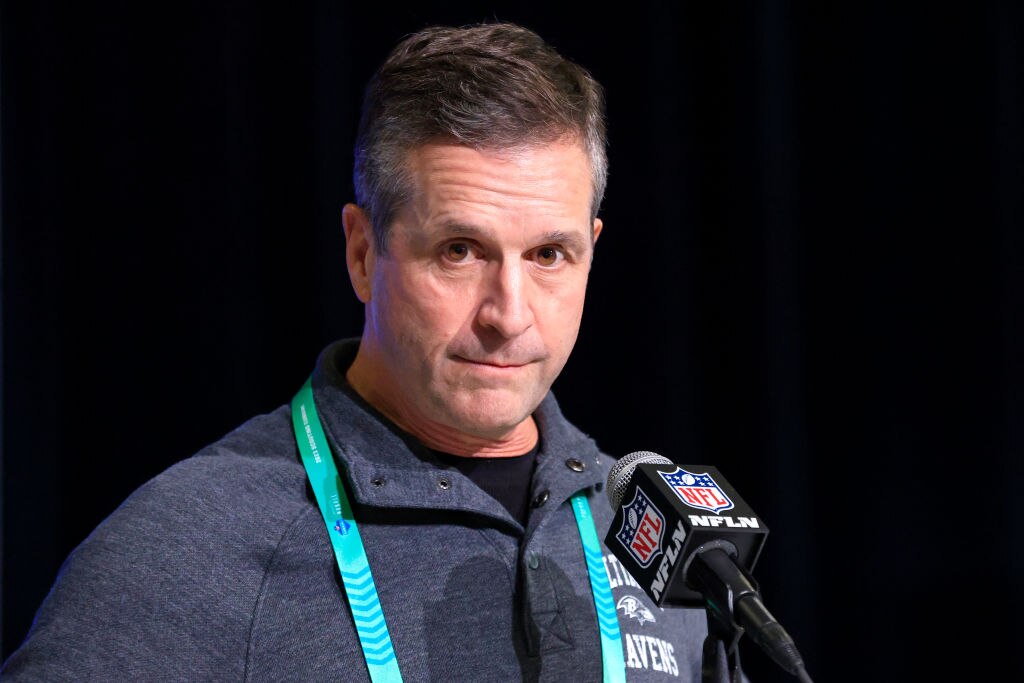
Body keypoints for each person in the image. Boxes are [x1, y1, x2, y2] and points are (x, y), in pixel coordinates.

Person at [2, 22, 707, 681]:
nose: (509, 315)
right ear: (363, 252)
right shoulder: (184, 549)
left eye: (550, 254)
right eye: (459, 251)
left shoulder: (652, 529)